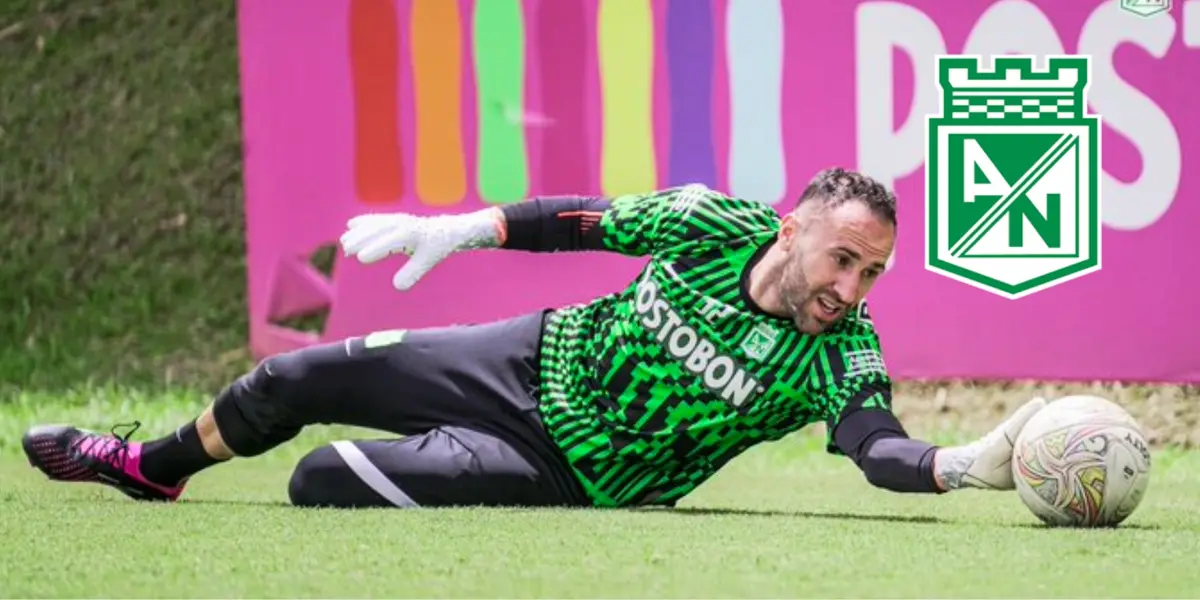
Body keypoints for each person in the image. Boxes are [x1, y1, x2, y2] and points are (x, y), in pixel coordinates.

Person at [22, 168, 1046, 509]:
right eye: (842, 261)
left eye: (871, 274)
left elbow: (875, 445)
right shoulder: (710, 221)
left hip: (565, 471)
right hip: (518, 356)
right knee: (287, 378)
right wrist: (460, 227)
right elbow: (579, 222)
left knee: (319, 480)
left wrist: (962, 464)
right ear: (791, 231)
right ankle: (149, 470)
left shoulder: (843, 352)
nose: (850, 289)